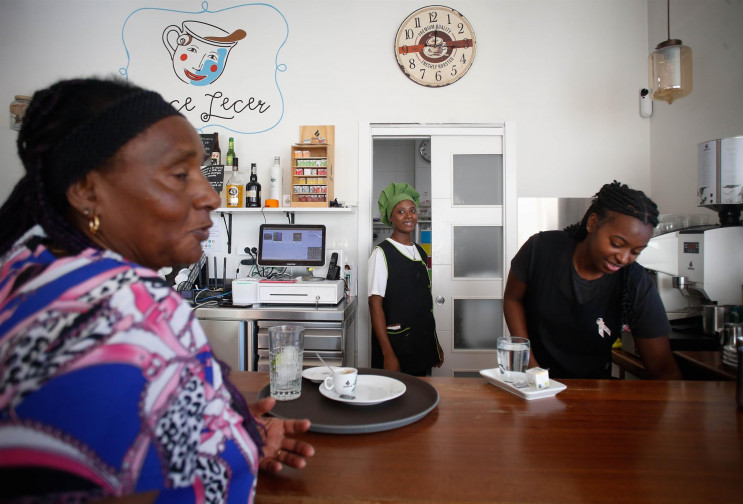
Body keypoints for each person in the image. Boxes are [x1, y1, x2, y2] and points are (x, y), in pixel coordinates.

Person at [0, 77, 314, 502]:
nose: (210, 195)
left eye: (202, 172)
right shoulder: (134, 305)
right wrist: (231, 441)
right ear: (86, 190)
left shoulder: (22, 263)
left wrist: (227, 423)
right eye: (180, 174)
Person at [503, 181, 681, 379]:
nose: (623, 258)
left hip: (594, 390)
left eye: (635, 251)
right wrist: (530, 366)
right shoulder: (541, 250)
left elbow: (662, 369)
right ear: (593, 222)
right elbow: (513, 299)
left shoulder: (634, 281)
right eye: (616, 244)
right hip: (531, 382)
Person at [368, 182, 444, 376]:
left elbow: (424, 303)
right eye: (401, 212)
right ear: (390, 217)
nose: (409, 216)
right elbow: (375, 304)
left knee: (422, 395)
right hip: (397, 345)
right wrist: (388, 354)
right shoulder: (382, 253)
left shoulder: (419, 251)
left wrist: (435, 345)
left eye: (412, 210)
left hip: (422, 342)